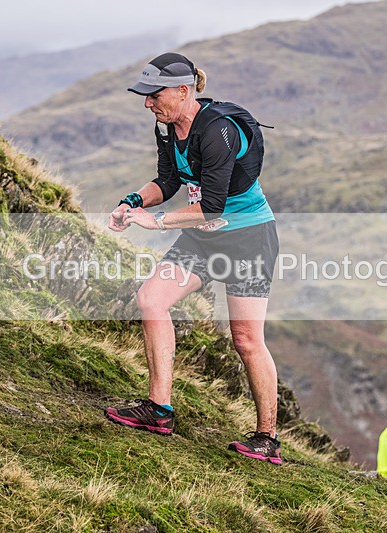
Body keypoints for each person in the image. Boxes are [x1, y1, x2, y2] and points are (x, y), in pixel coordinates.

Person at [104, 52, 282, 465]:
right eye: (145, 96)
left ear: (184, 91)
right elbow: (168, 180)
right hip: (203, 240)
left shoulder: (218, 131)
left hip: (249, 240)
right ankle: (159, 409)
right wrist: (132, 202)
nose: (148, 103)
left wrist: (157, 223)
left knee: (246, 340)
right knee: (151, 300)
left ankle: (266, 438)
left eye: (154, 95)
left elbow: (214, 206)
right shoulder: (166, 127)